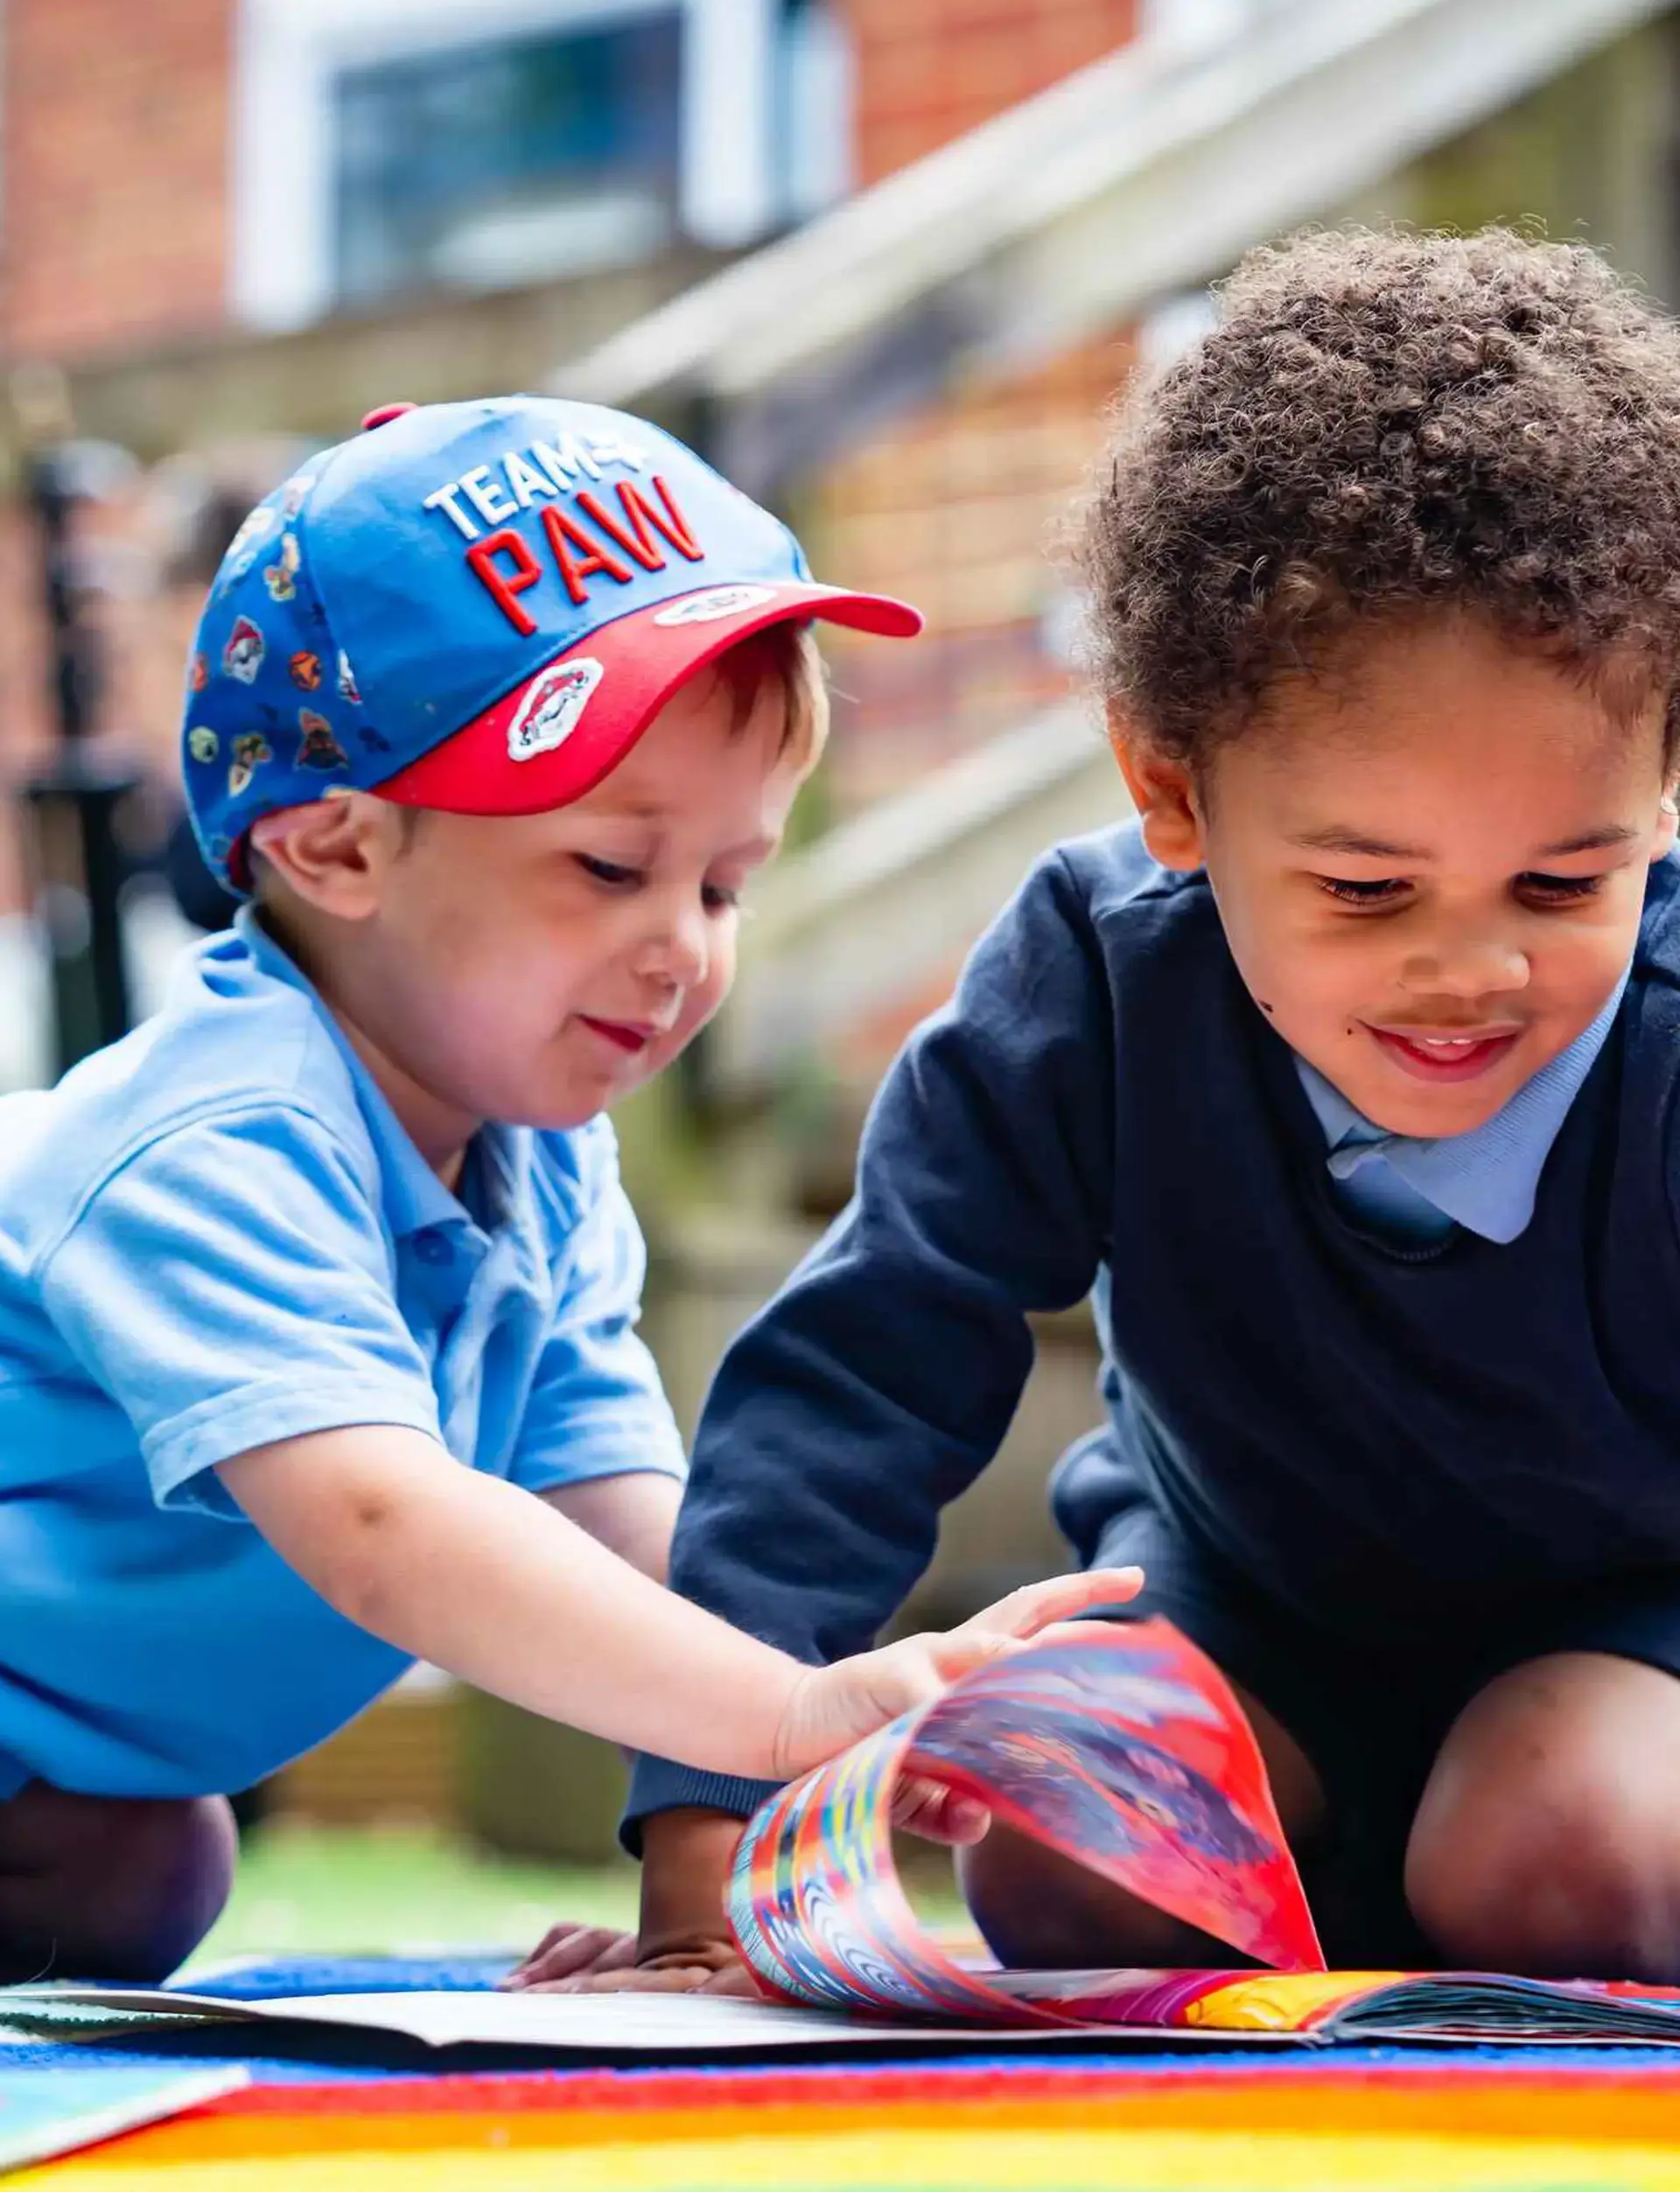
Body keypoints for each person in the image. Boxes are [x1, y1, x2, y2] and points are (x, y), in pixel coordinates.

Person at [515, 228, 1680, 1996]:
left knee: (1557, 1850)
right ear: (1171, 787)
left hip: (1624, 1653)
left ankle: (1461, 1897)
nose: (1473, 972)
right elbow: (866, 1366)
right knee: (1059, 1842)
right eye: (1367, 890)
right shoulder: (1097, 978)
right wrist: (701, 1849)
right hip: (1240, 1609)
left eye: (1563, 882)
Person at [0, 394, 1138, 1982]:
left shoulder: (537, 1160)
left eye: (727, 881)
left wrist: (845, 1720)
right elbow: (384, 1524)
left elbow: (628, 1534)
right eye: (612, 867)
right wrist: (777, 1708)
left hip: (60, 1773)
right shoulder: (213, 1141)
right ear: (336, 848)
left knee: (140, 1868)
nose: (684, 944)